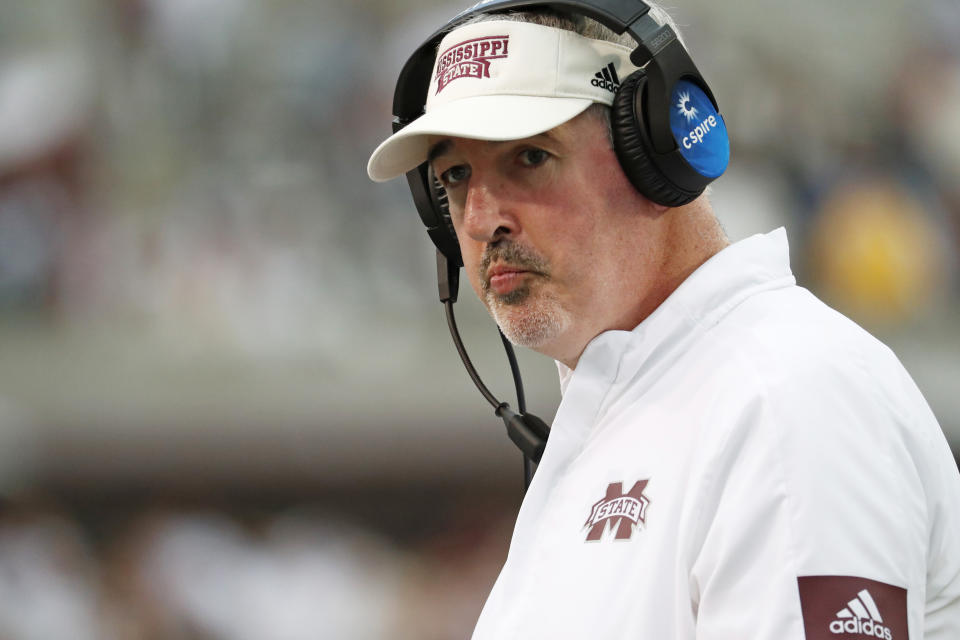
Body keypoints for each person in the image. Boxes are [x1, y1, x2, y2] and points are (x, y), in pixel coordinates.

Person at [366, 2, 960, 638]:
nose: (481, 220)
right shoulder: (643, 408)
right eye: (455, 176)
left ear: (657, 148)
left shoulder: (787, 395)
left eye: (530, 157)